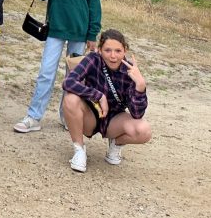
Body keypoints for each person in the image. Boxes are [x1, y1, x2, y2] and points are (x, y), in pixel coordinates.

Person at [14, 0, 102, 134]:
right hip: (55, 28)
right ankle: (34, 116)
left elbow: (94, 3)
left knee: (74, 76)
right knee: (46, 73)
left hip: (79, 31)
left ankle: (67, 116)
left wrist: (93, 34)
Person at [61, 28, 151, 172]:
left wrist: (140, 86)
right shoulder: (93, 59)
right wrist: (98, 95)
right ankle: (79, 150)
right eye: (107, 50)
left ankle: (116, 144)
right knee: (70, 99)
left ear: (125, 50)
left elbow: (137, 114)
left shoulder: (130, 72)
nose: (113, 56)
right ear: (99, 50)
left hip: (113, 120)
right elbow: (68, 82)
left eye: (118, 51)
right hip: (90, 114)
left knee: (144, 130)